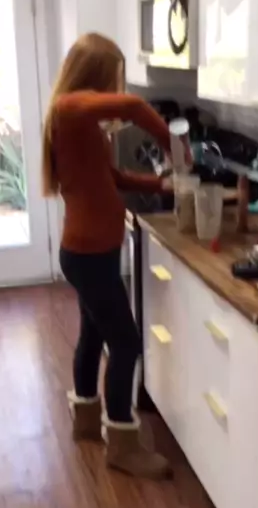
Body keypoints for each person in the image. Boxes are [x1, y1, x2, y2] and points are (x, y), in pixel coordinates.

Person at [42, 33, 192, 479]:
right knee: (125, 343)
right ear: (96, 74)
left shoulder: (79, 123)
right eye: (114, 76)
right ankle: (122, 443)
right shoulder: (68, 108)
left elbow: (111, 178)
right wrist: (176, 147)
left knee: (93, 334)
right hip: (89, 255)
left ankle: (87, 421)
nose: (117, 87)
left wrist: (162, 184)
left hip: (89, 253)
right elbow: (131, 107)